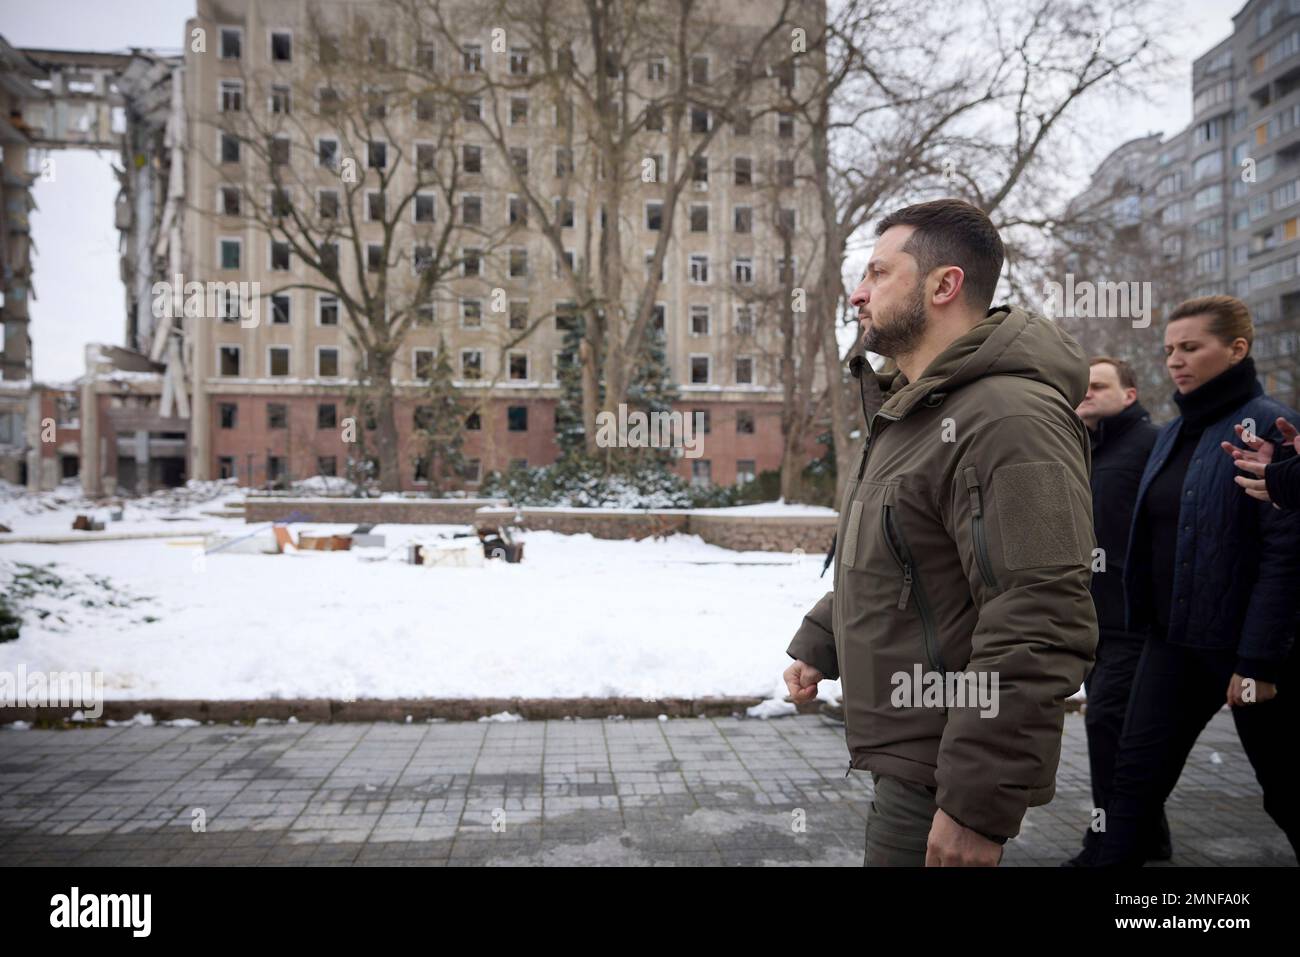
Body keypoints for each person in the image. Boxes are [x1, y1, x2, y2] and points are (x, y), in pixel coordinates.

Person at [782, 198, 1097, 867]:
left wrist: (975, 806)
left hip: (946, 768)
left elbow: (1039, 619)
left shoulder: (1009, 417)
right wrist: (824, 638)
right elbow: (904, 556)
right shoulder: (918, 409)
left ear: (944, 285)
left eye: (878, 272)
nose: (857, 292)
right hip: (911, 753)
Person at [1093, 296, 1300, 867]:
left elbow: (1287, 556)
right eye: (1168, 351)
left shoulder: (1273, 427)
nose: (1175, 361)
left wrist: (1258, 663)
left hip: (1247, 652)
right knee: (1131, 785)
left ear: (1236, 349)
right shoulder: (1172, 435)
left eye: (1190, 347)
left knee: (1285, 793)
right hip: (1172, 642)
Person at [1064, 357, 1166, 867]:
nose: (1087, 393)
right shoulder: (1087, 450)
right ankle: (1150, 840)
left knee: (1110, 732)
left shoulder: (1152, 445)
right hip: (1096, 621)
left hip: (1136, 624)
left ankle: (1107, 845)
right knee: (1120, 735)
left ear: (1129, 394)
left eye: (1099, 386)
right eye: (1081, 386)